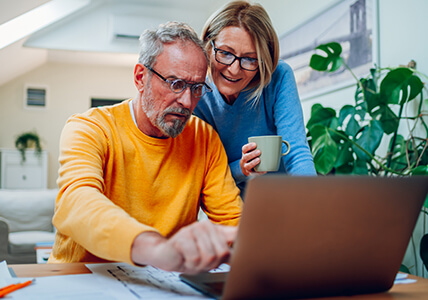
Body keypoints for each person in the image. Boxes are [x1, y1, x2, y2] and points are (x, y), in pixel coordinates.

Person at [48, 22, 243, 275]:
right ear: (141, 77)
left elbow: (233, 223)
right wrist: (158, 250)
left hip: (163, 283)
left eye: (196, 88)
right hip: (81, 279)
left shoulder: (204, 138)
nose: (187, 101)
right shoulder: (90, 127)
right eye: (175, 84)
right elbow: (76, 202)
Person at [193, 1, 316, 193]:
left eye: (250, 59)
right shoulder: (196, 93)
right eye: (225, 53)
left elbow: (297, 153)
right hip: (230, 209)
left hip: (285, 199)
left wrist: (316, 201)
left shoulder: (278, 76)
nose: (234, 70)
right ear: (209, 45)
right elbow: (202, 175)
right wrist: (240, 168)